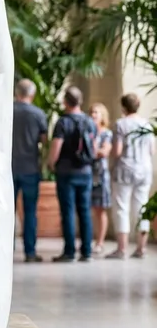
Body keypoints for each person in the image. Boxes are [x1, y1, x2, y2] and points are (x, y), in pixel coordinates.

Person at [47, 86, 97, 262]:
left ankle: (69, 252)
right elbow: (94, 148)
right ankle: (87, 252)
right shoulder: (90, 122)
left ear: (65, 102)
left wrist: (51, 163)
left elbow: (56, 147)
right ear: (80, 101)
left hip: (66, 172)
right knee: (85, 211)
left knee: (68, 212)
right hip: (85, 171)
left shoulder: (63, 122)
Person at [106, 93, 155, 259]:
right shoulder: (147, 125)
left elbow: (117, 151)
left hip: (124, 170)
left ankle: (122, 249)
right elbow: (151, 151)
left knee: (121, 208)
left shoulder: (121, 124)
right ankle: (141, 248)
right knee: (142, 208)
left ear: (123, 107)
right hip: (144, 169)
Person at [12, 79, 48, 263]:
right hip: (30, 168)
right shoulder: (38, 114)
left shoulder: (7, 111)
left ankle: (6, 250)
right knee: (30, 211)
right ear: (32, 95)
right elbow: (44, 140)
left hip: (7, 168)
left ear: (16, 92)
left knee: (7, 211)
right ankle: (30, 252)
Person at [89, 102, 113, 255]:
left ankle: (100, 242)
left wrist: (92, 148)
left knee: (100, 210)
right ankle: (89, 240)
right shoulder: (89, 131)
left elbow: (104, 152)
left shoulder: (107, 133)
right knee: (89, 209)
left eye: (96, 112)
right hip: (88, 174)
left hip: (101, 175)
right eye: (91, 112)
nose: (93, 115)